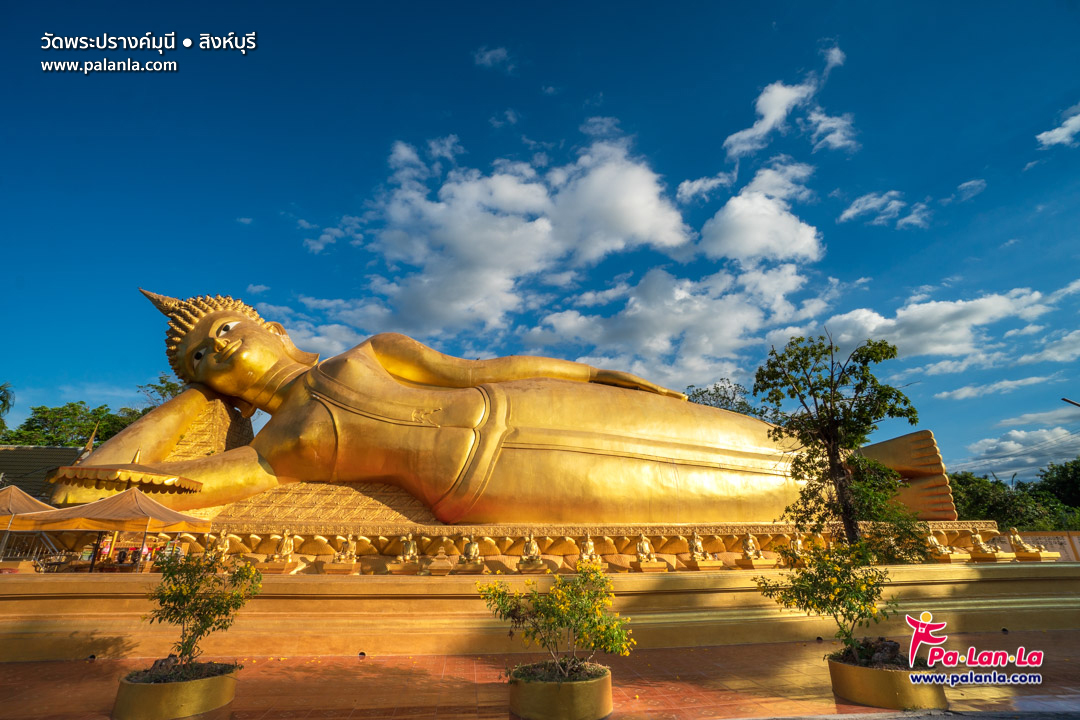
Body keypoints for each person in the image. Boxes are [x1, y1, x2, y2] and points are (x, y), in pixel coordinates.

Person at [51, 289, 957, 525]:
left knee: (691, 440)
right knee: (689, 492)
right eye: (203, 359)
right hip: (481, 480)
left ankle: (874, 481)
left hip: (516, 407)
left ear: (270, 325)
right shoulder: (280, 444)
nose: (218, 352)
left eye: (223, 334)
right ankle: (862, 496)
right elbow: (217, 482)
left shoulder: (374, 352)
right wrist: (143, 464)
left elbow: (485, 363)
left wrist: (598, 376)